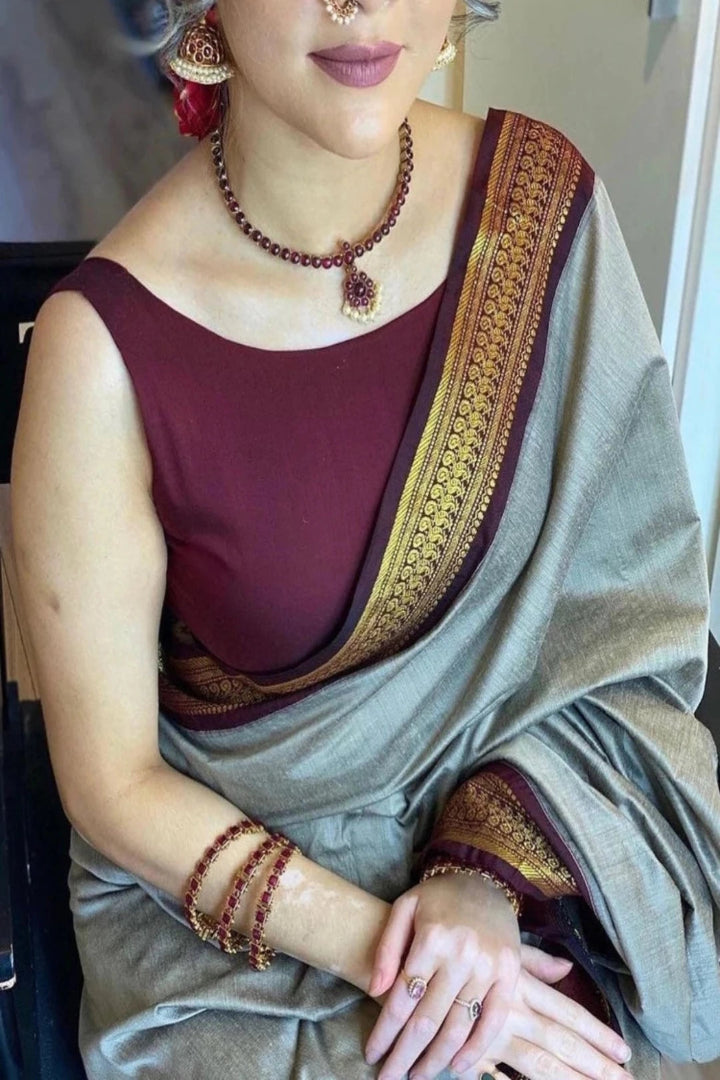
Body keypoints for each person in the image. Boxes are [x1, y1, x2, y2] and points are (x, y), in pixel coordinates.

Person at [9, 1, 720, 1077]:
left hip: (529, 822)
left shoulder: (542, 213)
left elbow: (626, 620)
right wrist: (403, 950)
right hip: (243, 913)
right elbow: (110, 788)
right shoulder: (99, 348)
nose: (360, 3)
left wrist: (478, 885)